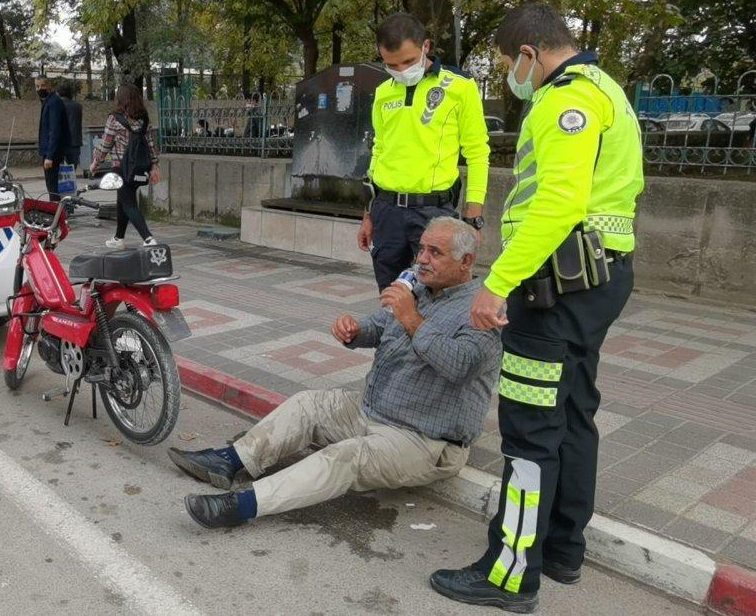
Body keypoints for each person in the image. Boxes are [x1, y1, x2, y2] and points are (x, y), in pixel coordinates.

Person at [429, 3, 644, 614]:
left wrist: (497, 283)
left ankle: (509, 573)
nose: (509, 77)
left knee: (529, 434)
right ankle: (562, 551)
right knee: (574, 412)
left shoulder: (562, 101)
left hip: (552, 289)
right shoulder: (609, 90)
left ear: (529, 54)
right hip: (598, 281)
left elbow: (556, 203)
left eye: (507, 64)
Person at [170, 217, 500, 528]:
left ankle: (242, 505)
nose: (422, 259)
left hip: (424, 439)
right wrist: (355, 329)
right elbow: (382, 323)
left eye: (435, 252)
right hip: (372, 411)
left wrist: (411, 317)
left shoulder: (482, 311)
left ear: (466, 262)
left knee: (345, 457)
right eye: (422, 249)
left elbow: (459, 366)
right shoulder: (421, 290)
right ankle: (230, 460)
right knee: (306, 404)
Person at [359, 12, 491, 290]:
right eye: (391, 64)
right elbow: (379, 150)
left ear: (426, 47)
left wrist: (473, 217)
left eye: (408, 61)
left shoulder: (459, 86)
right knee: (392, 296)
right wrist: (368, 214)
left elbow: (478, 152)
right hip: (387, 212)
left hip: (433, 212)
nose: (402, 70)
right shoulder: (383, 92)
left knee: (437, 295)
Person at [89, 82, 161, 249]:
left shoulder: (115, 118)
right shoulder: (143, 118)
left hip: (120, 167)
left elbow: (105, 145)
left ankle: (148, 238)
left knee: (128, 203)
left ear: (120, 98)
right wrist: (154, 165)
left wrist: (95, 163)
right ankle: (118, 238)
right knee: (123, 200)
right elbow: (151, 144)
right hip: (139, 167)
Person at [36, 75, 70, 202]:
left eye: (43, 85)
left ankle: (56, 212)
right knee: (51, 185)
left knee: (52, 186)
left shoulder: (54, 102)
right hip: (50, 151)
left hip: (52, 153)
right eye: (37, 86)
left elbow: (55, 130)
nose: (40, 88)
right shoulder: (48, 101)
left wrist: (49, 156)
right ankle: (56, 210)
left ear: (49, 86)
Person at [59, 81, 85, 177]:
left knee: (60, 172)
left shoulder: (56, 105)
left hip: (60, 143)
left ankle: (61, 189)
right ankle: (71, 187)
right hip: (75, 142)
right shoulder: (78, 107)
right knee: (71, 171)